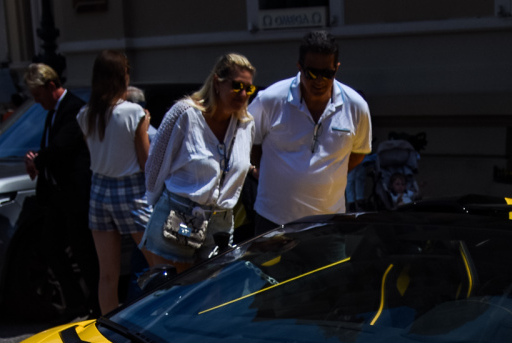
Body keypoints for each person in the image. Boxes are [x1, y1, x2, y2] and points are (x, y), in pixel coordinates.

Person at [142, 54, 256, 272]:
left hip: (221, 222)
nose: (242, 94)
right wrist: (156, 207)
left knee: (216, 297)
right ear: (217, 83)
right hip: (183, 216)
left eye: (248, 89)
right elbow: (155, 166)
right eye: (237, 86)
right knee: (180, 295)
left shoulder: (245, 125)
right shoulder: (185, 114)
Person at [249, 31, 371, 233]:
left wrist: (326, 172)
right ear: (299, 67)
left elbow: (358, 153)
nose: (319, 81)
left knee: (334, 267)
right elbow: (250, 143)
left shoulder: (356, 106)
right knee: (268, 266)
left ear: (336, 69)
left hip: (329, 222)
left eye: (327, 74)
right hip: (274, 220)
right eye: (311, 73)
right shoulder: (270, 100)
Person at [78, 49, 155, 314]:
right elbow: (146, 162)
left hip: (99, 190)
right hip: (130, 190)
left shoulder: (86, 114)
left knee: (107, 273)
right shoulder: (134, 113)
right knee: (159, 264)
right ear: (122, 76)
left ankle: (107, 327)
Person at [24, 62, 99, 315]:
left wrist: (38, 160)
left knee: (84, 252)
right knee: (51, 246)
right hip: (58, 196)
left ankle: (95, 306)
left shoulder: (75, 109)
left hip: (76, 195)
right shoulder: (52, 113)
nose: (37, 101)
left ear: (52, 86)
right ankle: (75, 300)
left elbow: (62, 146)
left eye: (38, 95)